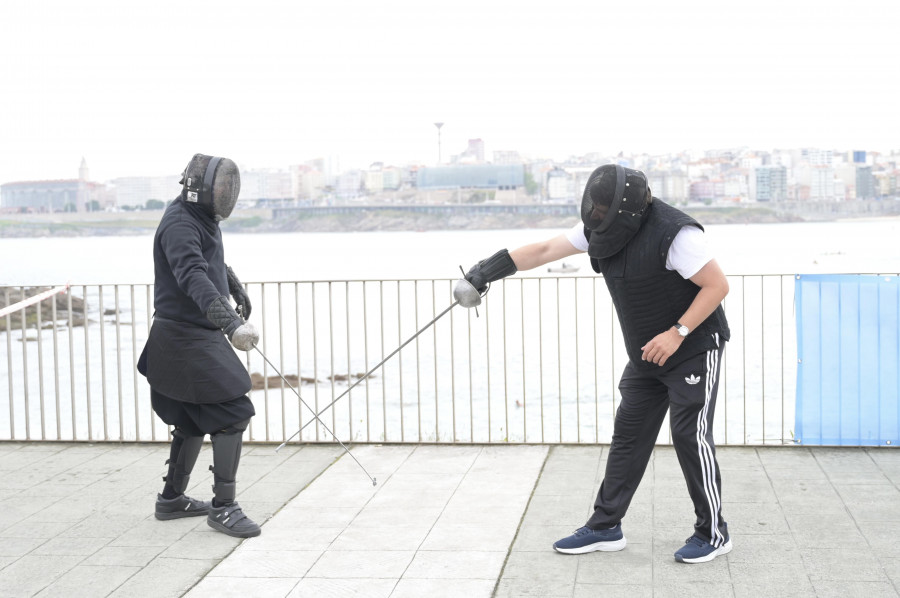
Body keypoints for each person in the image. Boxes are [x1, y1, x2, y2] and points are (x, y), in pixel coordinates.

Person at [459, 164, 732, 564]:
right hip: (646, 354)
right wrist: (483, 273)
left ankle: (713, 533)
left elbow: (717, 286)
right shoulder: (599, 228)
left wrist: (677, 332)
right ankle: (606, 526)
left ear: (624, 210)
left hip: (691, 346)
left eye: (603, 212)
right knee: (628, 436)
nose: (597, 220)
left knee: (689, 435)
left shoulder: (677, 234)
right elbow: (545, 250)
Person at [137, 153, 262, 538]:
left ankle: (171, 500)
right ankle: (224, 508)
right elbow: (190, 272)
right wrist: (229, 321)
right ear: (202, 189)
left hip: (191, 334)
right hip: (183, 338)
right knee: (233, 410)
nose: (227, 193)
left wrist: (231, 282)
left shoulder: (200, 218)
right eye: (222, 187)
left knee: (191, 418)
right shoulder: (179, 222)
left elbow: (207, 262)